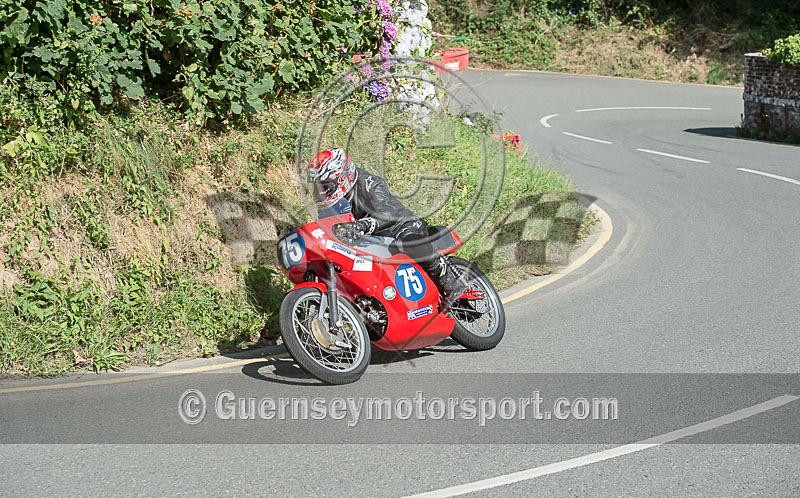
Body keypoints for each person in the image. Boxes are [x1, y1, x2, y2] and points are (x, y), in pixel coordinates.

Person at [308, 148, 466, 304]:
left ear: (340, 177)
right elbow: (327, 227)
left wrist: (364, 225)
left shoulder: (368, 183)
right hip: (370, 242)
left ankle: (448, 277)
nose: (321, 192)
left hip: (400, 226)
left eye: (324, 187)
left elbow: (387, 210)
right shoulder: (330, 205)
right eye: (317, 188)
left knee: (410, 241)